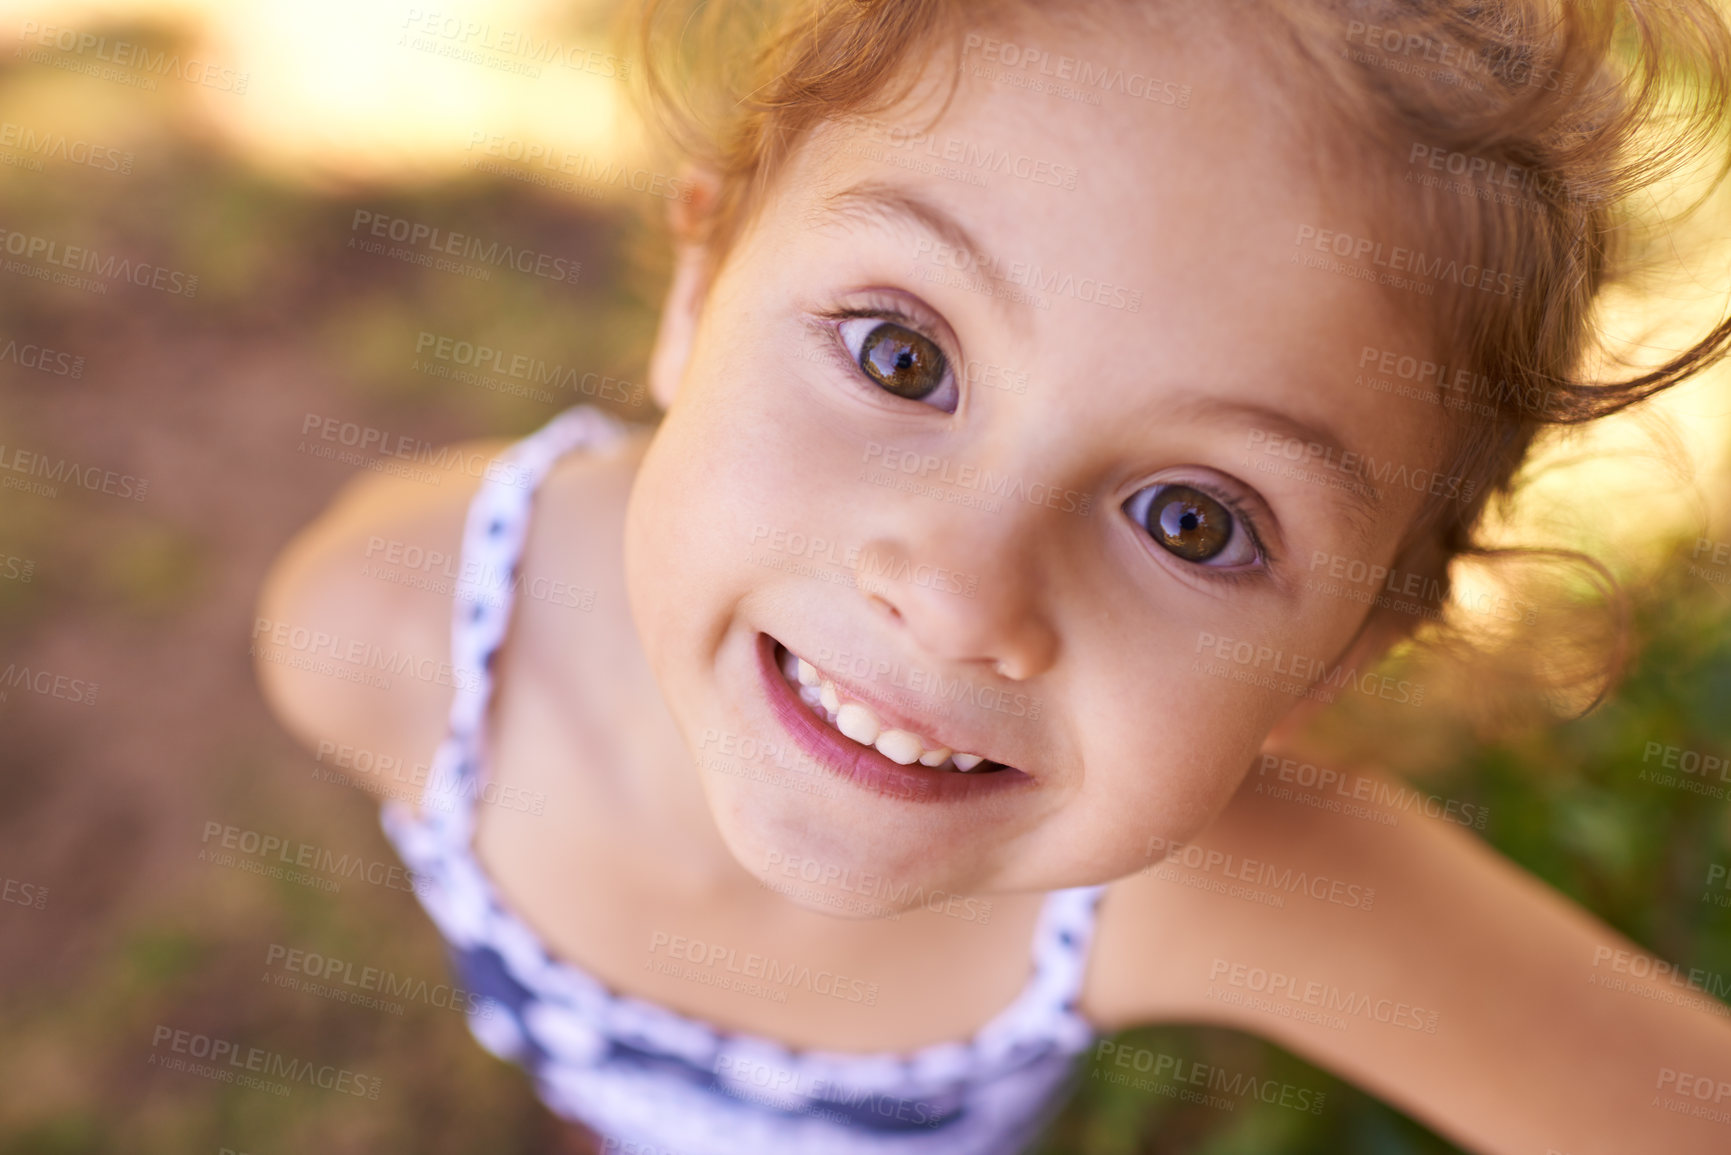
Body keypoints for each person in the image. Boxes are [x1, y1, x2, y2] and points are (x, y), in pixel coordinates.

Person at [252, 0, 1731, 1150]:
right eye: (903, 358)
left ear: (1343, 656)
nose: (961, 594)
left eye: (1192, 523)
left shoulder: (1221, 889)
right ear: (702, 287)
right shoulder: (385, 636)